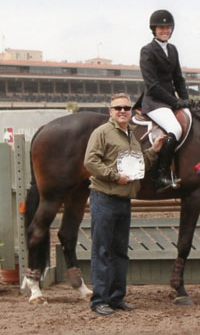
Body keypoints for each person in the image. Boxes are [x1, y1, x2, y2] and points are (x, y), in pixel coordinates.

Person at [84, 93, 165, 316]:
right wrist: (113, 176)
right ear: (110, 111)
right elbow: (90, 161)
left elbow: (139, 164)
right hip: (104, 197)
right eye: (118, 107)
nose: (122, 111)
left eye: (126, 108)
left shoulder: (131, 136)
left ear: (131, 111)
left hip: (123, 200)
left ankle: (116, 297)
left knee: (119, 252)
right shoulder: (101, 133)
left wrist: (154, 151)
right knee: (102, 250)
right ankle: (99, 300)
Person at [137, 9, 193, 191]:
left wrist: (185, 100)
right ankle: (160, 175)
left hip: (170, 101)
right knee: (175, 129)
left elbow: (179, 79)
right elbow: (152, 85)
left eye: (168, 27)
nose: (165, 30)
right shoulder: (147, 51)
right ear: (154, 29)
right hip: (154, 102)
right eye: (161, 28)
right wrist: (175, 102)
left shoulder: (172, 49)